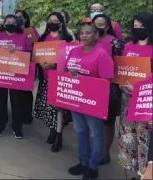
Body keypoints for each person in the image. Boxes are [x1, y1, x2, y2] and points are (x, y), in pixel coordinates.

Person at [65, 22, 114, 180]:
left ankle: (93, 167)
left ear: (96, 35)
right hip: (75, 97)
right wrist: (70, 72)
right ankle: (83, 162)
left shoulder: (102, 54)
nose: (84, 35)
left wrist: (85, 79)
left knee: (96, 134)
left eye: (88, 33)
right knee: (80, 131)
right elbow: (66, 70)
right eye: (82, 33)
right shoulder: (74, 50)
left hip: (92, 101)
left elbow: (106, 81)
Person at [118, 12, 153, 178]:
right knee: (129, 135)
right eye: (135, 26)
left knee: (144, 137)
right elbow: (123, 68)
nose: (138, 29)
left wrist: (138, 89)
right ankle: (135, 170)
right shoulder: (128, 46)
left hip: (146, 100)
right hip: (127, 99)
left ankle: (145, 173)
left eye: (142, 26)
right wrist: (121, 82)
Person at [33, 12, 73, 152]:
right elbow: (38, 56)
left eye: (56, 20)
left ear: (61, 23)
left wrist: (54, 65)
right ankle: (52, 131)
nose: (53, 22)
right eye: (50, 20)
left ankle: (58, 136)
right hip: (46, 78)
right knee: (48, 109)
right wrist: (40, 64)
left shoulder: (67, 39)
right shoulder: (43, 38)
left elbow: (70, 60)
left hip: (60, 79)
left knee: (59, 110)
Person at [0, 14, 32, 139]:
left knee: (17, 102)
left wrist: (17, 52)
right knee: (0, 101)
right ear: (4, 24)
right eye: (7, 22)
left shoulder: (23, 37)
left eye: (13, 22)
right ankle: (0, 125)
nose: (10, 24)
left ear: (17, 24)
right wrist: (1, 49)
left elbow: (29, 53)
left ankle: (17, 127)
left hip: (17, 75)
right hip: (0, 74)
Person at [92, 14, 124, 165]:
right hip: (90, 86)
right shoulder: (88, 41)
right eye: (96, 24)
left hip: (110, 88)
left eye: (102, 24)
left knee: (108, 123)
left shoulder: (115, 43)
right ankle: (94, 150)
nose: (99, 27)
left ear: (107, 26)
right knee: (92, 121)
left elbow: (121, 66)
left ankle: (104, 153)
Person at [15, 10, 38, 125]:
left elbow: (39, 45)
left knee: (27, 91)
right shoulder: (15, 32)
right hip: (17, 64)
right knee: (18, 90)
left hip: (30, 63)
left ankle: (27, 115)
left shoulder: (31, 31)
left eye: (21, 17)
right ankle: (18, 113)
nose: (19, 19)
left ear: (26, 18)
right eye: (16, 17)